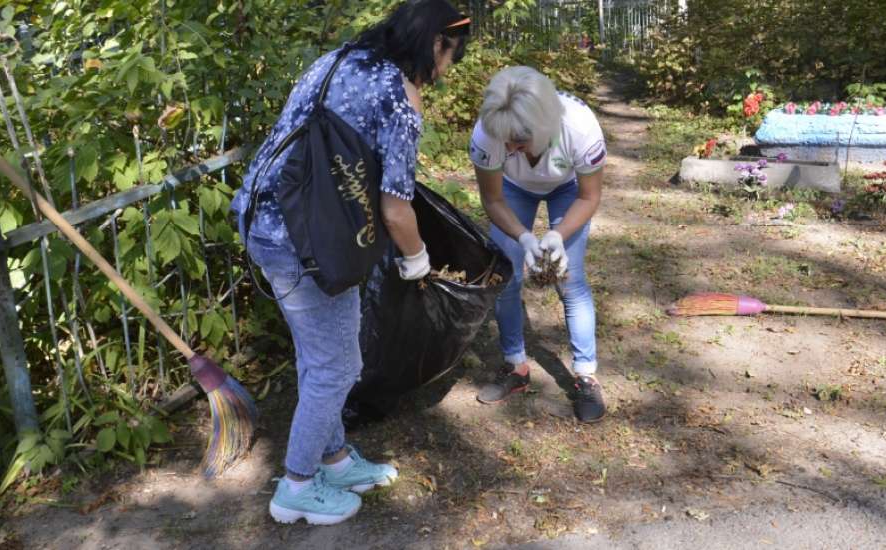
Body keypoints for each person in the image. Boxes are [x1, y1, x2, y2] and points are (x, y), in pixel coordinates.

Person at [230, 0, 470, 526]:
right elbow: (395, 207)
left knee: (319, 357)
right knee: (338, 365)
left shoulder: (337, 60)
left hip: (265, 218)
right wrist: (418, 263)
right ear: (436, 44)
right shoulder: (400, 97)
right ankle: (296, 485)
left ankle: (333, 459)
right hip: (311, 243)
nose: (448, 70)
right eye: (452, 56)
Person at [469, 66, 607, 423]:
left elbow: (589, 197)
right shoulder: (488, 132)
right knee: (505, 277)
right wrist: (525, 237)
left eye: (520, 140)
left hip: (568, 189)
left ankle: (585, 375)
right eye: (506, 141)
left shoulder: (580, 127)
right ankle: (515, 367)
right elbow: (493, 199)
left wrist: (557, 236)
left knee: (570, 279)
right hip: (513, 191)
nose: (511, 147)